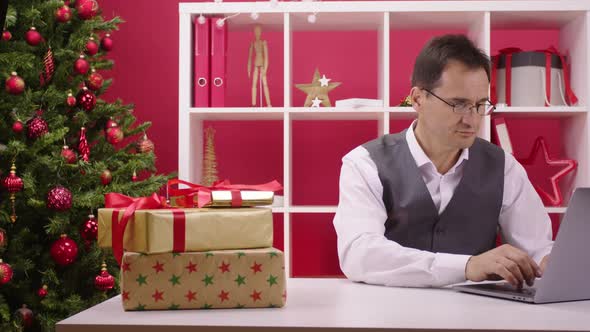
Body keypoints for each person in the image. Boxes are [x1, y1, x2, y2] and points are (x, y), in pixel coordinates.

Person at [333, 34, 553, 288]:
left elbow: (538, 248)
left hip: (477, 319)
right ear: (417, 99)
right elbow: (360, 255)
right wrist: (467, 266)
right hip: (388, 318)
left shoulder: (504, 167)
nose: (472, 120)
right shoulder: (364, 163)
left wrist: (550, 262)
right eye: (458, 105)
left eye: (480, 105)